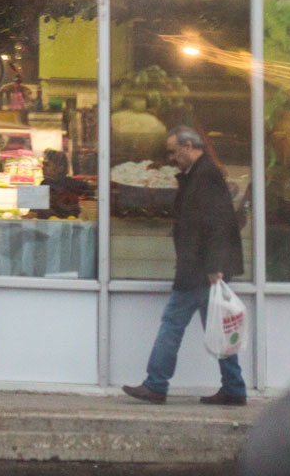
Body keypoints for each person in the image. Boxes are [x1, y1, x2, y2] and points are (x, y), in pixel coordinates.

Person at [122, 126, 247, 406]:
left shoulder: (206, 176)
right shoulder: (199, 174)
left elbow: (217, 223)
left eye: (172, 151)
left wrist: (215, 266)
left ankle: (156, 384)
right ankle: (234, 387)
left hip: (200, 269)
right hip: (203, 267)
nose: (170, 157)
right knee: (216, 327)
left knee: (172, 324)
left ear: (188, 145)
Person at [39, 149, 92, 219]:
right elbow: (37, 206)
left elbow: (88, 188)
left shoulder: (69, 183)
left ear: (60, 168)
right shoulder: (44, 183)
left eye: (47, 165)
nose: (43, 168)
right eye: (43, 165)